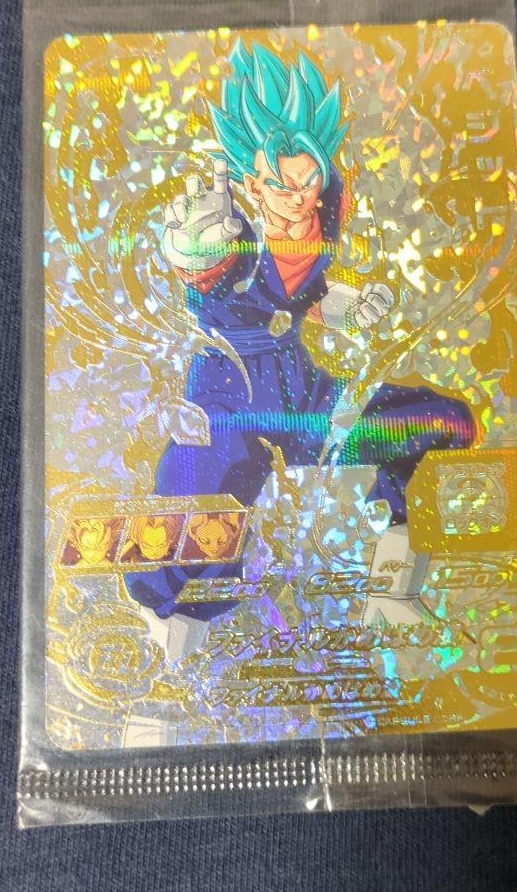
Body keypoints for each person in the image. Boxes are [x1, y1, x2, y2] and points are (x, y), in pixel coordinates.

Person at [124, 40, 475, 619]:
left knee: (435, 421)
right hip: (230, 405)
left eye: (308, 181)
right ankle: (167, 630)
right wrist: (193, 253)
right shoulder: (230, 233)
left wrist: (349, 308)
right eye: (282, 186)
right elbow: (212, 275)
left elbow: (300, 297)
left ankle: (392, 597)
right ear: (252, 185)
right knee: (190, 529)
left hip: (305, 399)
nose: (299, 198)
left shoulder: (320, 214)